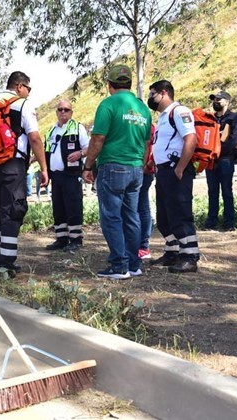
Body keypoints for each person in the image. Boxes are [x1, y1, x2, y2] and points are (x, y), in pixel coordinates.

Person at [82, 64, 151, 279]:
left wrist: (88, 165)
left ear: (109, 85)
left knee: (111, 217)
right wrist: (140, 161)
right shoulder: (142, 108)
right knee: (131, 215)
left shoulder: (108, 105)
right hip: (136, 168)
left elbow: (98, 138)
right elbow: (148, 141)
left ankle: (119, 265)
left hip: (113, 166)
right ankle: (133, 263)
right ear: (129, 84)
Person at [0, 71, 49, 276]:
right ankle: (6, 263)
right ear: (20, 86)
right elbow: (35, 138)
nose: (29, 94)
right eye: (28, 89)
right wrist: (44, 168)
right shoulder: (22, 104)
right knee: (13, 211)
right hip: (13, 164)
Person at [147, 79, 200, 273]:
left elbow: (190, 139)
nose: (150, 98)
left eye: (152, 94)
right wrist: (153, 161)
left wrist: (180, 168)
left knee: (180, 213)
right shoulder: (163, 117)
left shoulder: (180, 111)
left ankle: (190, 256)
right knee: (164, 216)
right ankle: (172, 252)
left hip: (176, 170)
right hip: (163, 171)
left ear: (163, 93)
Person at [44, 99, 90, 252]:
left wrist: (80, 153)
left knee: (73, 206)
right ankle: (61, 238)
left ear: (71, 112)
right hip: (56, 176)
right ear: (56, 112)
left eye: (66, 110)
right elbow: (47, 151)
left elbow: (89, 148)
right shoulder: (51, 131)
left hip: (71, 175)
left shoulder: (77, 128)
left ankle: (76, 239)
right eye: (60, 109)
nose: (63, 112)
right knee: (58, 207)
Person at [204, 91, 237, 231]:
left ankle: (229, 223)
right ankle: (211, 222)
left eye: (219, 99)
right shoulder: (210, 118)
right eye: (214, 99)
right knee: (212, 191)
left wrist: (219, 151)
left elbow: (234, 139)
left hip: (226, 159)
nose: (216, 102)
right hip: (211, 160)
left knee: (226, 191)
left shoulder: (234, 118)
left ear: (227, 101)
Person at [138, 125, 156, 260]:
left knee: (142, 208)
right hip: (138, 169)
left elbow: (149, 145)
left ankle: (143, 247)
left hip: (143, 171)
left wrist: (147, 165)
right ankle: (138, 245)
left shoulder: (146, 124)